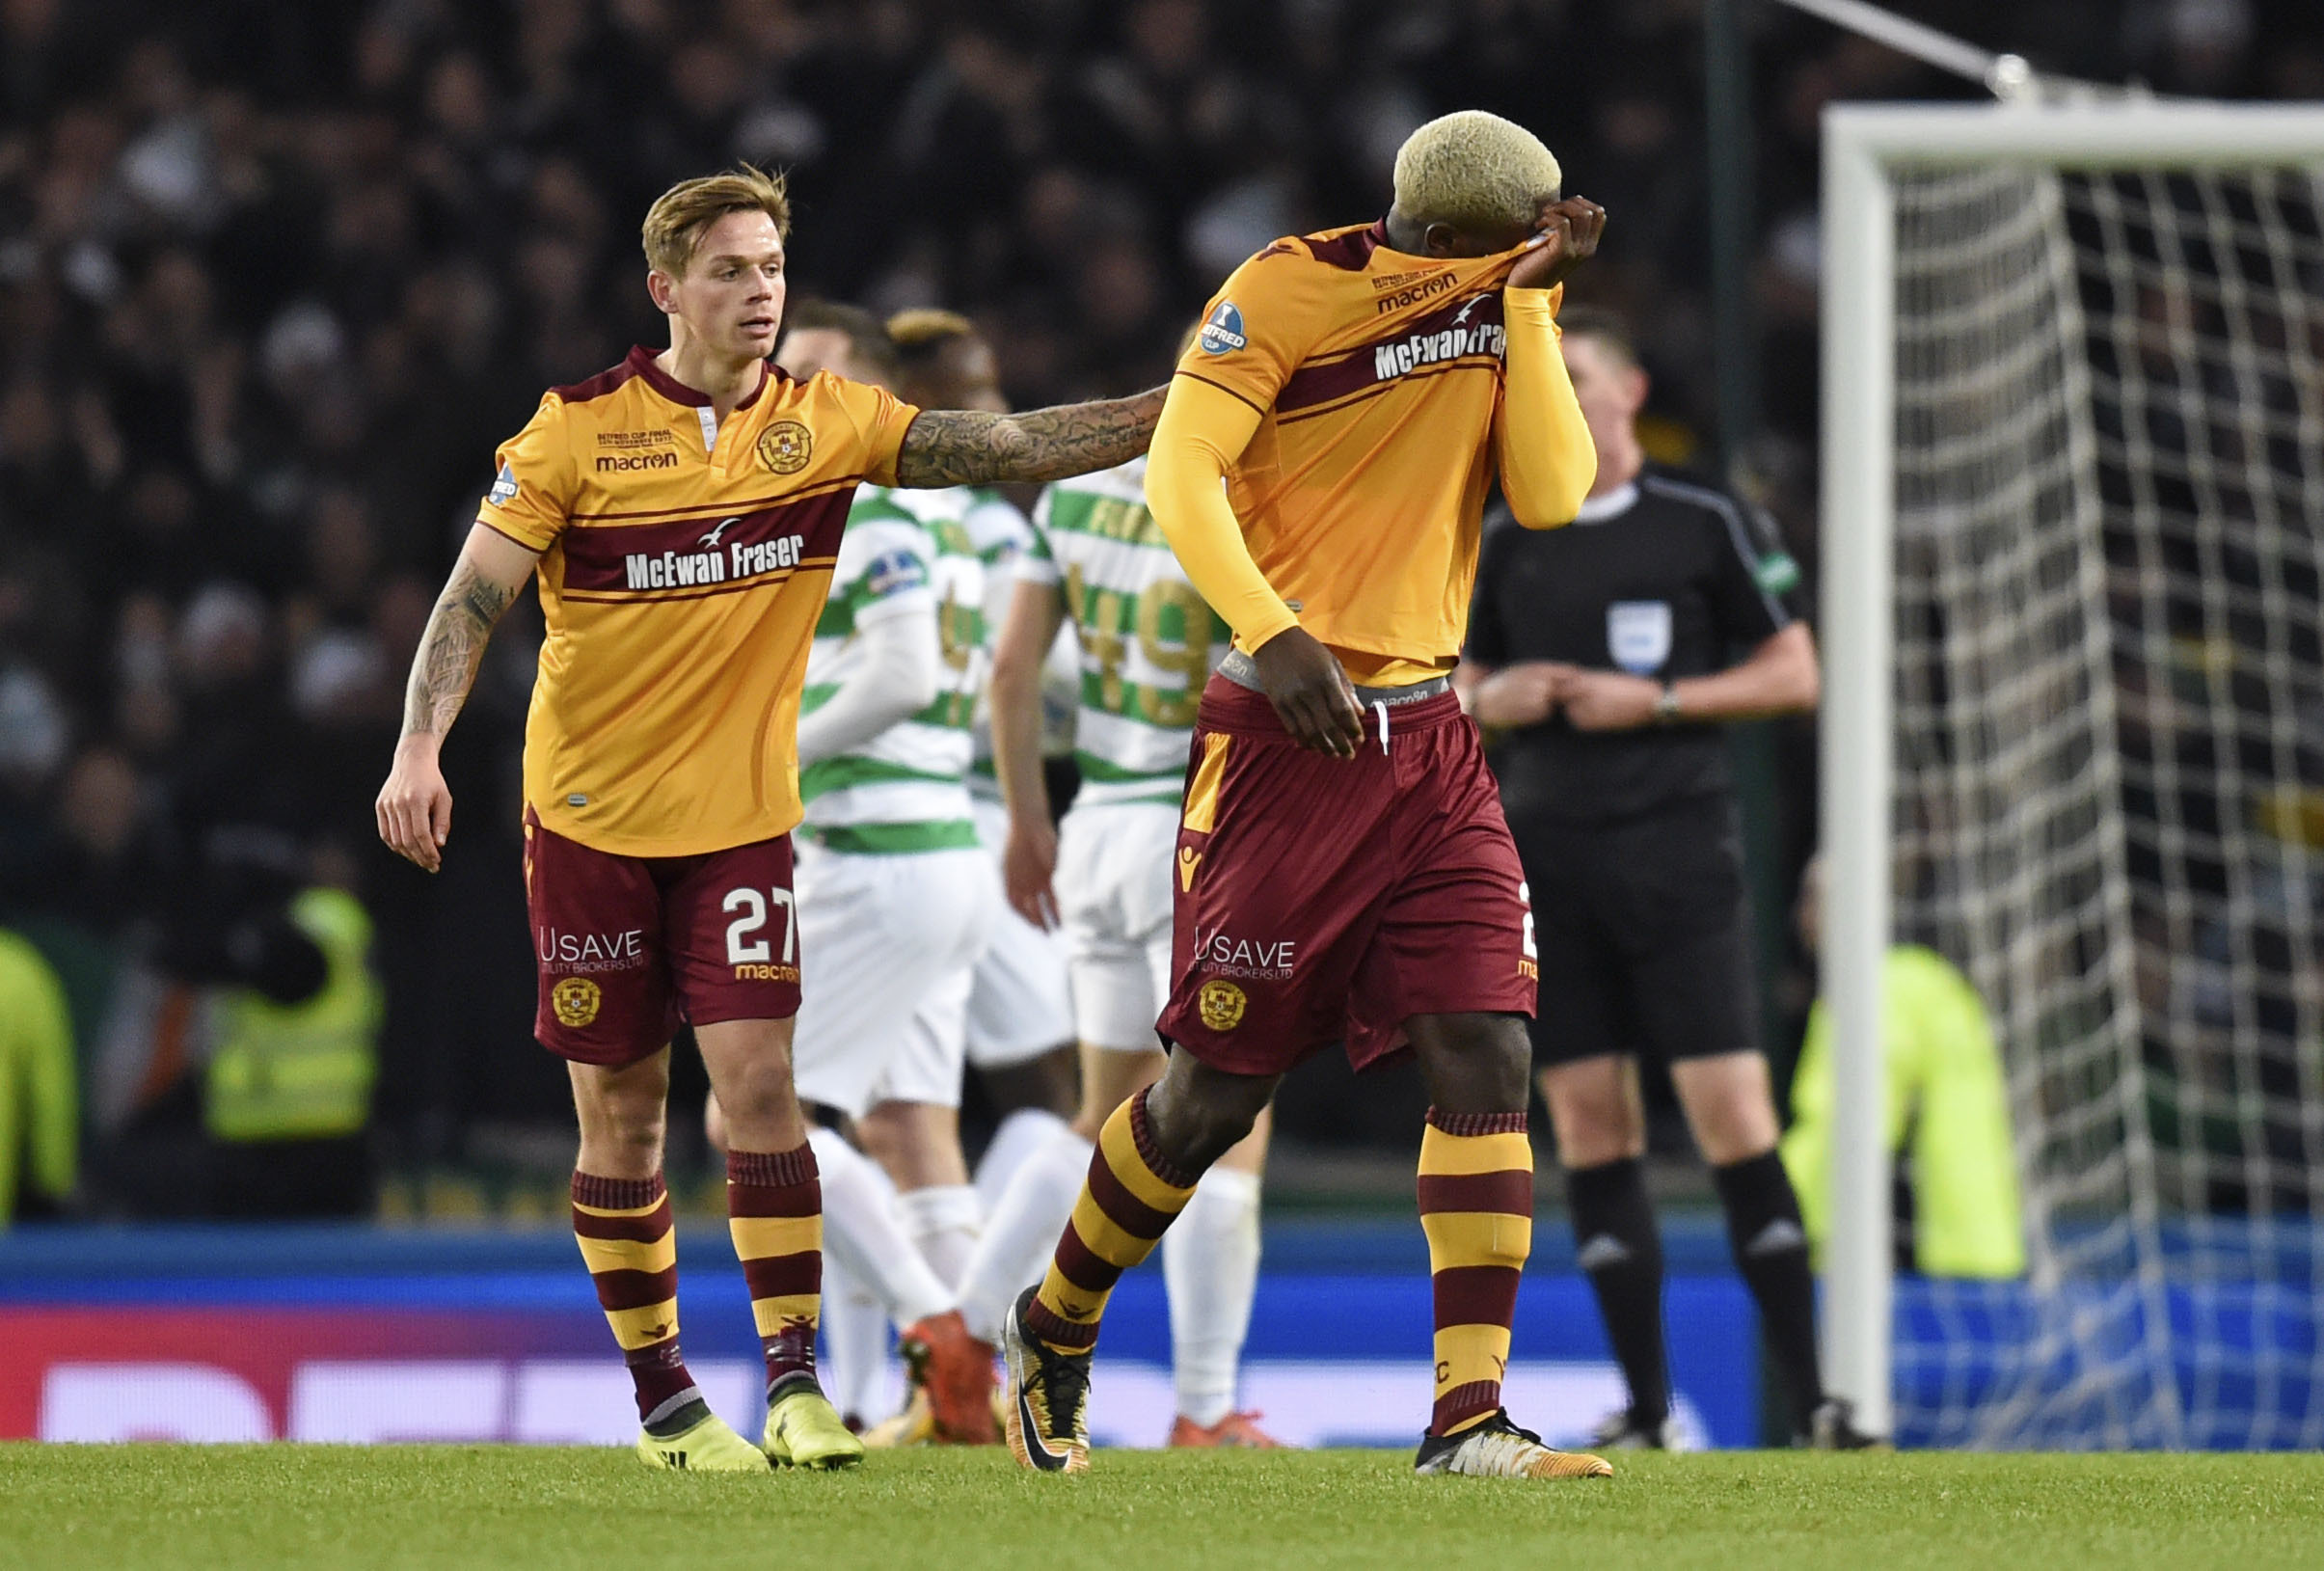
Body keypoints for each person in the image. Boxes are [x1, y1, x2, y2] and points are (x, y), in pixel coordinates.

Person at [373, 167, 1164, 1476]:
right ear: (666, 289)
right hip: (589, 826)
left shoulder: (830, 423)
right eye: (732, 271)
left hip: (742, 825)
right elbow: (470, 603)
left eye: (772, 270)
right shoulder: (573, 433)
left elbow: (1012, 445)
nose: (759, 293)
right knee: (624, 1119)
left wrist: (1182, 405)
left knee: (764, 1092)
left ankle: (797, 1386)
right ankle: (667, 1404)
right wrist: (418, 747)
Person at [999, 111, 1609, 1479]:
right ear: (1449, 230)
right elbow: (1177, 471)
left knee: (1485, 1047)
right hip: (1285, 738)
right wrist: (1272, 633)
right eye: (1525, 231)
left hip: (1430, 738)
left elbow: (1553, 493)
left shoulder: (1494, 290)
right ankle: (1055, 1320)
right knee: (1208, 1097)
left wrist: (1532, 308)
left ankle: (1467, 1414)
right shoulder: (1278, 291)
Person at [1457, 305, 1872, 1449]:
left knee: (1734, 1115)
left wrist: (1666, 700)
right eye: (1544, 384)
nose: (1565, 400)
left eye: (1578, 377)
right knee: (1590, 1125)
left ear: (1629, 390)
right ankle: (1642, 1410)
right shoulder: (1504, 532)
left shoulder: (1704, 520)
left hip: (1682, 857)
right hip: (1551, 861)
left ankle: (1820, 1402)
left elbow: (1794, 671)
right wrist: (1490, 700)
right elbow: (1452, 683)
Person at [970, 447, 1279, 1449]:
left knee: (1099, 1114)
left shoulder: (1073, 498)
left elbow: (1012, 669)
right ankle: (1205, 1406)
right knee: (1228, 1116)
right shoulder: (1248, 492)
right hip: (1203, 832)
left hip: (1095, 824)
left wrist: (1028, 820)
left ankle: (959, 1333)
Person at [1781, 856, 2025, 1280]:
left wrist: (1773, 1207)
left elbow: (1847, 1130)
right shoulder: (1932, 980)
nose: (1800, 916)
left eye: (1810, 898)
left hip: (1910, 1269)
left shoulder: (1879, 992)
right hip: (1984, 1253)